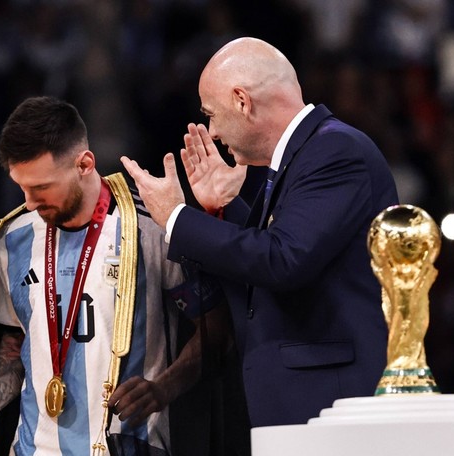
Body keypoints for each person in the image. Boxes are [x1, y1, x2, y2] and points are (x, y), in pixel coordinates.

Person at [0, 96, 236, 456]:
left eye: (41, 187)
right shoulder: (14, 240)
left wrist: (163, 388)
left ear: (85, 163)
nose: (30, 202)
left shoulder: (151, 231)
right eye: (21, 188)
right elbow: (19, 341)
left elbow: (216, 331)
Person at [121, 37, 399, 427]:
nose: (212, 132)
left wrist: (176, 218)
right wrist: (224, 208)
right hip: (304, 403)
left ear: (242, 101)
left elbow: (283, 260)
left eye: (212, 115)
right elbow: (271, 267)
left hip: (332, 405)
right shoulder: (305, 158)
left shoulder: (335, 150)